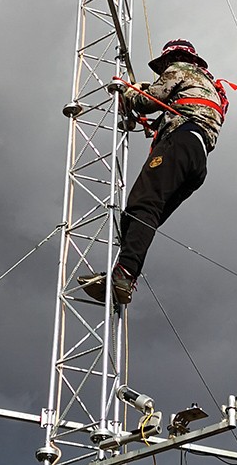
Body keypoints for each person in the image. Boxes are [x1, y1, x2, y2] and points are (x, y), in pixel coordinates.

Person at [80, 39, 228, 305]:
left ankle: (124, 275)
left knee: (142, 206)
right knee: (146, 215)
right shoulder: (208, 86)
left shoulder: (180, 68)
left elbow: (150, 100)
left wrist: (129, 93)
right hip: (197, 158)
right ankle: (125, 273)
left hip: (180, 143)